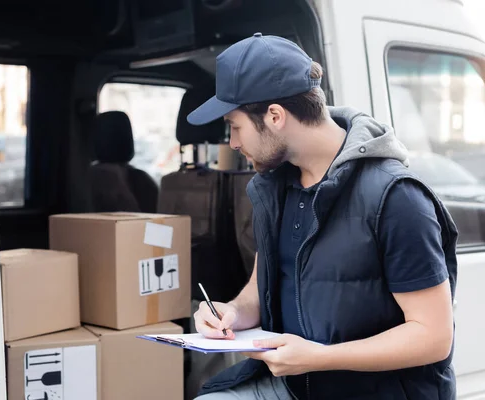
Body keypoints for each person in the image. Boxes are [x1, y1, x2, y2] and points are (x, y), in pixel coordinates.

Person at [188, 33, 458, 400]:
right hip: (296, 386)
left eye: (235, 127)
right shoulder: (274, 188)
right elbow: (258, 289)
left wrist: (319, 358)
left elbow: (433, 337)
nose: (233, 143)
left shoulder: (397, 198)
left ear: (275, 116)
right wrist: (232, 313)